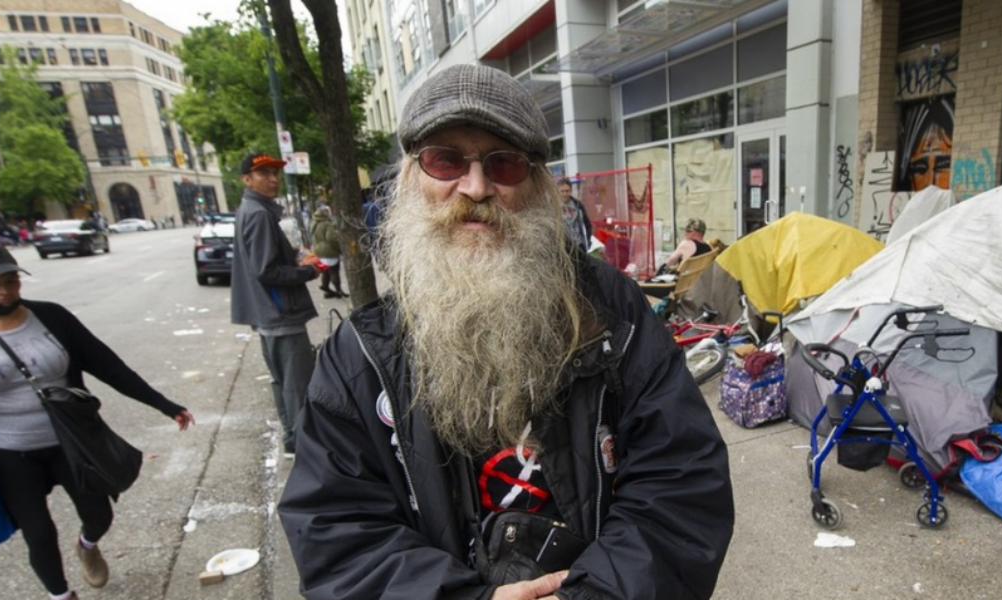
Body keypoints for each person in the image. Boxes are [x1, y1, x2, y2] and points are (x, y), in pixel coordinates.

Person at [279, 64, 733, 600]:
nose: (476, 188)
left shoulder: (613, 311)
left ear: (537, 184)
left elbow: (680, 482)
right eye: (445, 160)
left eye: (504, 163)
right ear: (411, 178)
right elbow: (336, 532)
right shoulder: (361, 356)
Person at [0, 239, 194, 600]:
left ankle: (87, 546)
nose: (4, 291)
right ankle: (61, 595)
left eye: (11, 280)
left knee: (99, 515)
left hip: (70, 441)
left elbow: (108, 366)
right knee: (38, 533)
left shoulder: (52, 317)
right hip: (7, 450)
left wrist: (163, 404)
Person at [230, 152, 321, 457]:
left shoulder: (253, 209)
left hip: (270, 314)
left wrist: (295, 258)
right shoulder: (258, 213)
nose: (272, 179)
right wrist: (308, 271)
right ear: (247, 179)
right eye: (264, 173)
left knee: (283, 382)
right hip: (280, 313)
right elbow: (266, 270)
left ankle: (293, 439)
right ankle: (301, 445)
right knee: (296, 383)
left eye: (275, 173)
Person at [309, 205, 346, 298]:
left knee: (325, 272)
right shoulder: (327, 224)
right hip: (329, 251)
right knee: (334, 271)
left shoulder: (314, 223)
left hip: (318, 251)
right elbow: (331, 238)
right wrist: (338, 248)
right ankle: (339, 291)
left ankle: (325, 288)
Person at [557, 177, 593, 252]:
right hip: (561, 247)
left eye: (567, 191)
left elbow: (587, 224)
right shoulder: (553, 206)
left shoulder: (577, 205)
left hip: (577, 245)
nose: (565, 194)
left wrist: (587, 241)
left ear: (571, 191)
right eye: (562, 191)